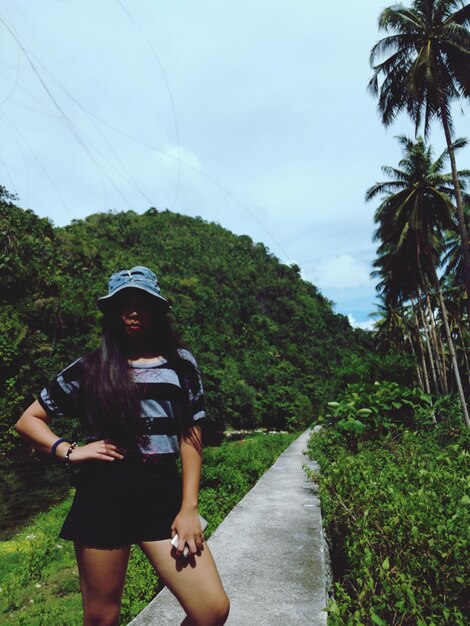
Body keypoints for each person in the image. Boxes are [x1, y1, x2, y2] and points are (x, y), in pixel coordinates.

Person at [16, 266, 230, 626]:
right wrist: (70, 450)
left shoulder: (181, 364)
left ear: (157, 310)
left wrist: (189, 507)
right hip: (103, 494)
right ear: (112, 312)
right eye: (124, 304)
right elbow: (28, 420)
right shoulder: (91, 367)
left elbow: (191, 433)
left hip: (162, 494)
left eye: (143, 303)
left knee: (210, 609)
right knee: (102, 618)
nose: (134, 311)